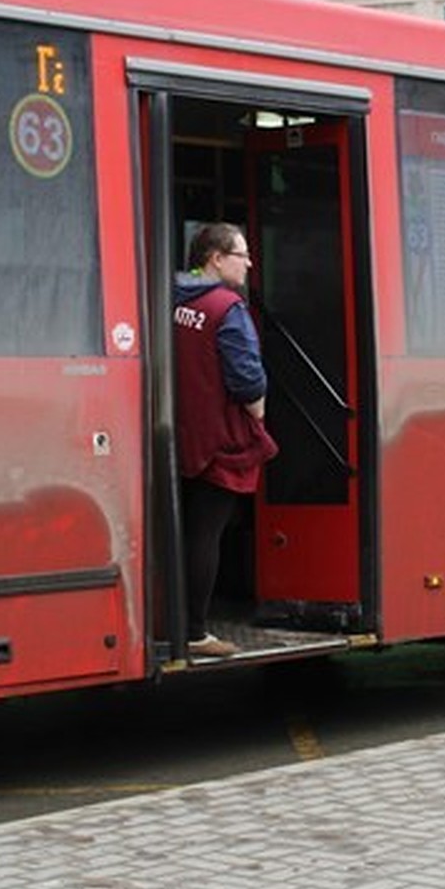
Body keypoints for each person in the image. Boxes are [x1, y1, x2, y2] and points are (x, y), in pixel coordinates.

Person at [173, 222, 277, 659]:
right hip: (220, 442)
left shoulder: (175, 301)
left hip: (182, 437)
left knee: (184, 531)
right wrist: (258, 406)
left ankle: (174, 619)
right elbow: (246, 377)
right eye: (242, 254)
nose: (250, 262)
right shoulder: (228, 308)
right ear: (215, 258)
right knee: (207, 535)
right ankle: (196, 631)